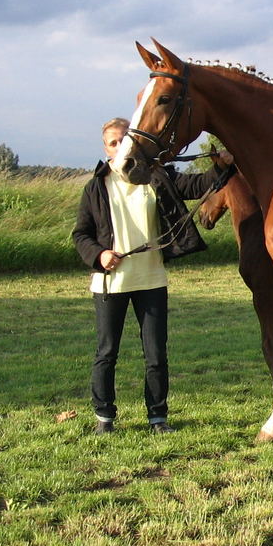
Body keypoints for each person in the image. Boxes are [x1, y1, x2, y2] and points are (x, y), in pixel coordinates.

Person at [72, 118, 234, 435]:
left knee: (156, 355)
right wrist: (99, 254)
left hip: (151, 280)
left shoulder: (155, 177)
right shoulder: (96, 187)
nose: (119, 147)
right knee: (107, 353)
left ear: (134, 142)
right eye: (113, 143)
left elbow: (198, 185)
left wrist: (220, 166)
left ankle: (157, 418)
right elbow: (81, 234)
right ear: (105, 148)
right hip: (111, 283)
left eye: (124, 140)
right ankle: (105, 418)